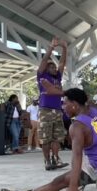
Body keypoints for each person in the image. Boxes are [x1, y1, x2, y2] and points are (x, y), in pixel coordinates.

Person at [37, 38, 69, 170]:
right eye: (51, 66)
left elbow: (62, 63)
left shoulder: (58, 77)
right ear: (46, 69)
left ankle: (56, 159)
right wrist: (51, 48)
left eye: (54, 66)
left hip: (57, 111)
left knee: (57, 138)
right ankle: (46, 161)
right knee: (46, 138)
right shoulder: (41, 76)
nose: (54, 68)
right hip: (45, 110)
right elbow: (44, 61)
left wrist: (65, 49)